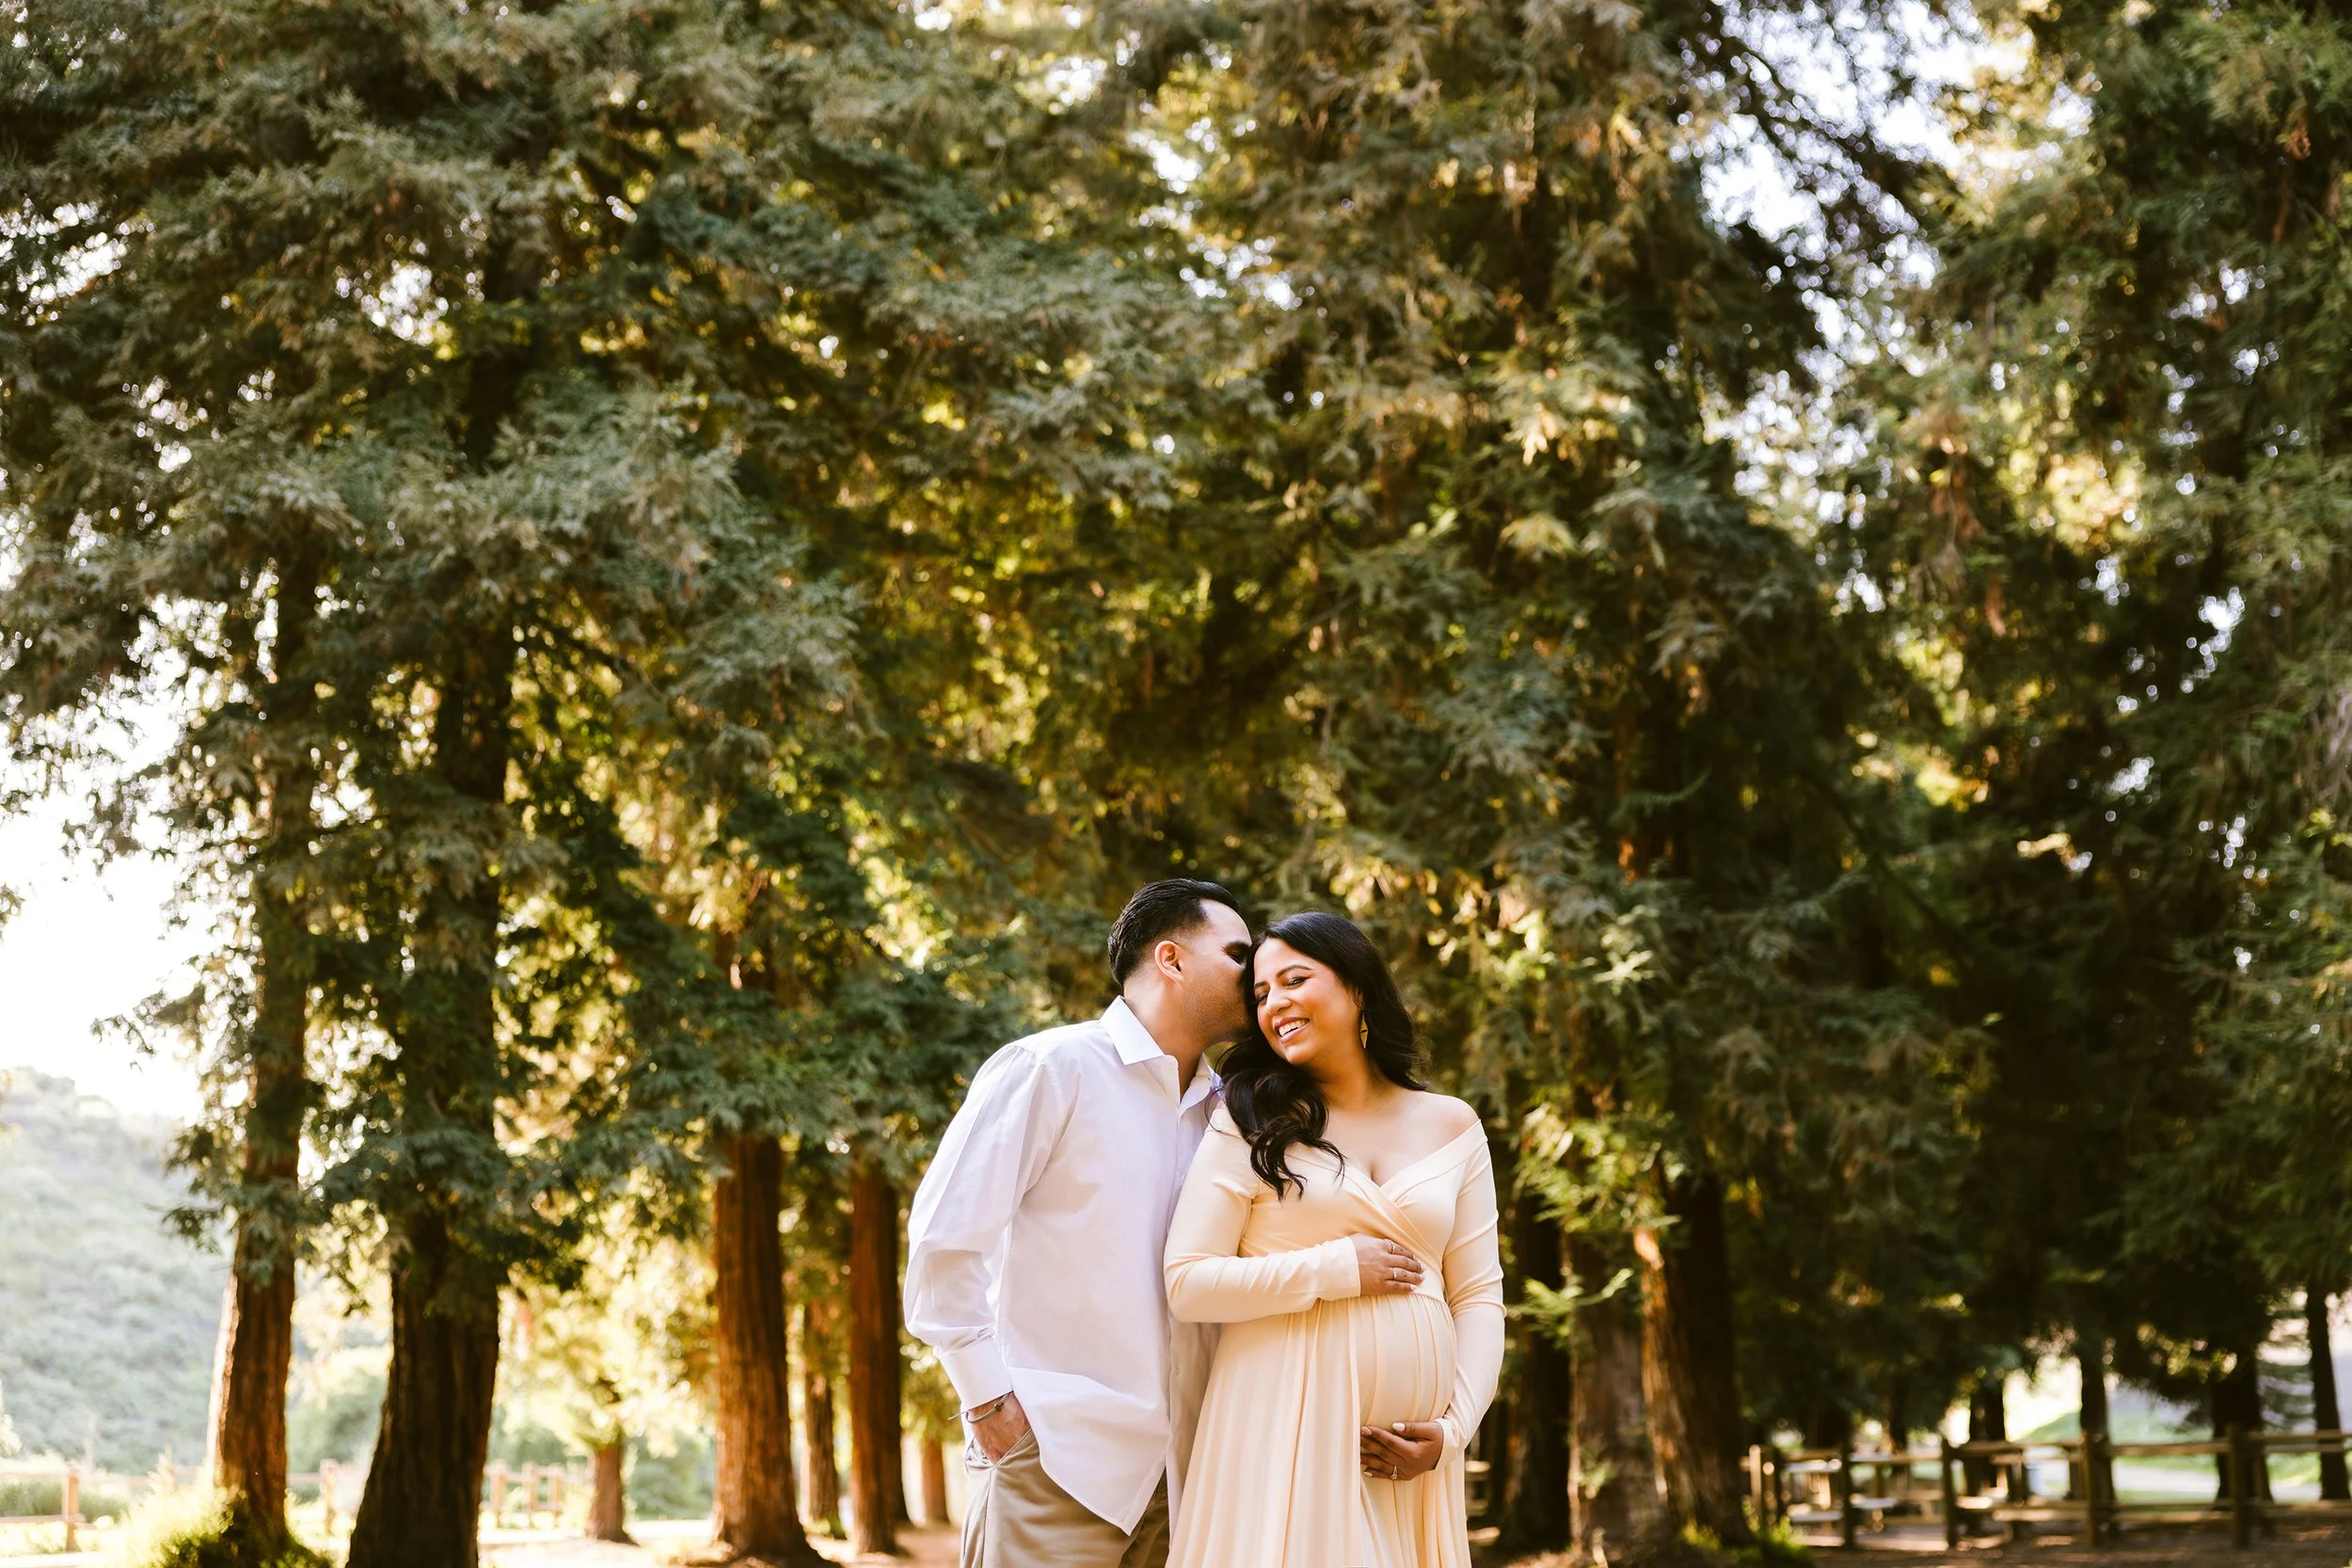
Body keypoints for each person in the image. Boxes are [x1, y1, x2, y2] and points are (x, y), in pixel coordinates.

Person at [905, 879, 1255, 1568]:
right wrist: (989, 1404)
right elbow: (945, 1240)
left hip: (1185, 1484)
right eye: (1238, 953)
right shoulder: (1050, 1068)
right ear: (1171, 958)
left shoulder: (1230, 1114)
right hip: (1057, 1462)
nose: (1258, 972)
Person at [1162, 911, 1503, 1568]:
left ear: (1357, 988)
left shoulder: (1453, 1124)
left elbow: (1479, 1297)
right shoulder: (1251, 1119)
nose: (1274, 1004)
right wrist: (1335, 1268)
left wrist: (1453, 1430)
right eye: (1261, 994)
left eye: (1294, 980)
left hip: (1407, 1464)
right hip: (1282, 1429)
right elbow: (1188, 1281)